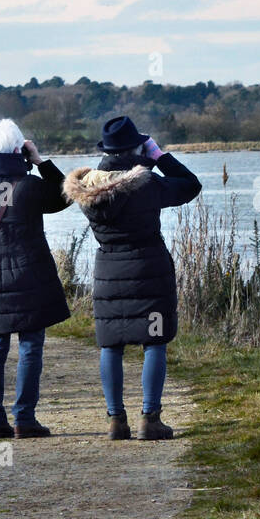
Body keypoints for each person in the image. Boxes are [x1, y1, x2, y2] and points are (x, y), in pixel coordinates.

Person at [63, 115, 201, 440]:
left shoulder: (87, 189)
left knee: (111, 345)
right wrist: (159, 155)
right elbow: (190, 185)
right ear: (136, 146)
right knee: (154, 341)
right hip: (149, 271)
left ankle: (116, 421)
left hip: (108, 271)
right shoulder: (147, 184)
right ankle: (150, 419)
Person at [0, 118, 72, 440]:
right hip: (30, 274)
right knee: (30, 347)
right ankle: (24, 418)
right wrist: (39, 161)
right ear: (17, 150)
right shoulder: (30, 187)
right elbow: (66, 196)